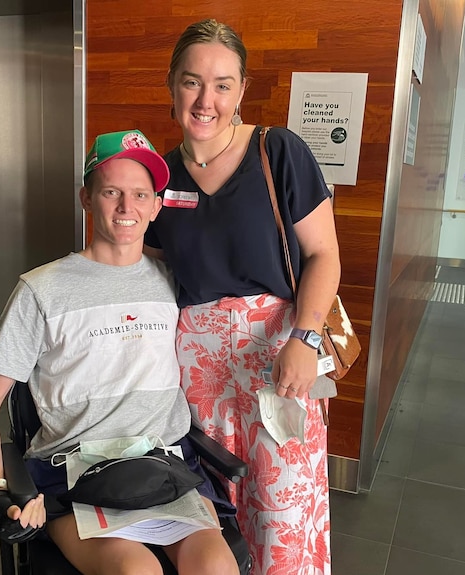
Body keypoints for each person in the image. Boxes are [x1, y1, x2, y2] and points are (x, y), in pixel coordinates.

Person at [0, 129, 240, 575]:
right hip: (74, 477)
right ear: (87, 199)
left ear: (156, 205)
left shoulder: (175, 283)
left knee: (217, 570)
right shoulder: (41, 290)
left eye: (140, 194)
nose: (126, 207)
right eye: (111, 192)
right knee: (137, 573)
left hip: (162, 468)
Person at [144, 19, 341, 575]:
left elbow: (324, 255)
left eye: (223, 84)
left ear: (242, 90)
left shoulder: (276, 152)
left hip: (278, 357)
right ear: (171, 85)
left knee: (282, 510)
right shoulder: (162, 174)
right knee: (214, 514)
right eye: (192, 82)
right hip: (196, 373)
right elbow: (156, 273)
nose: (207, 100)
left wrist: (304, 338)